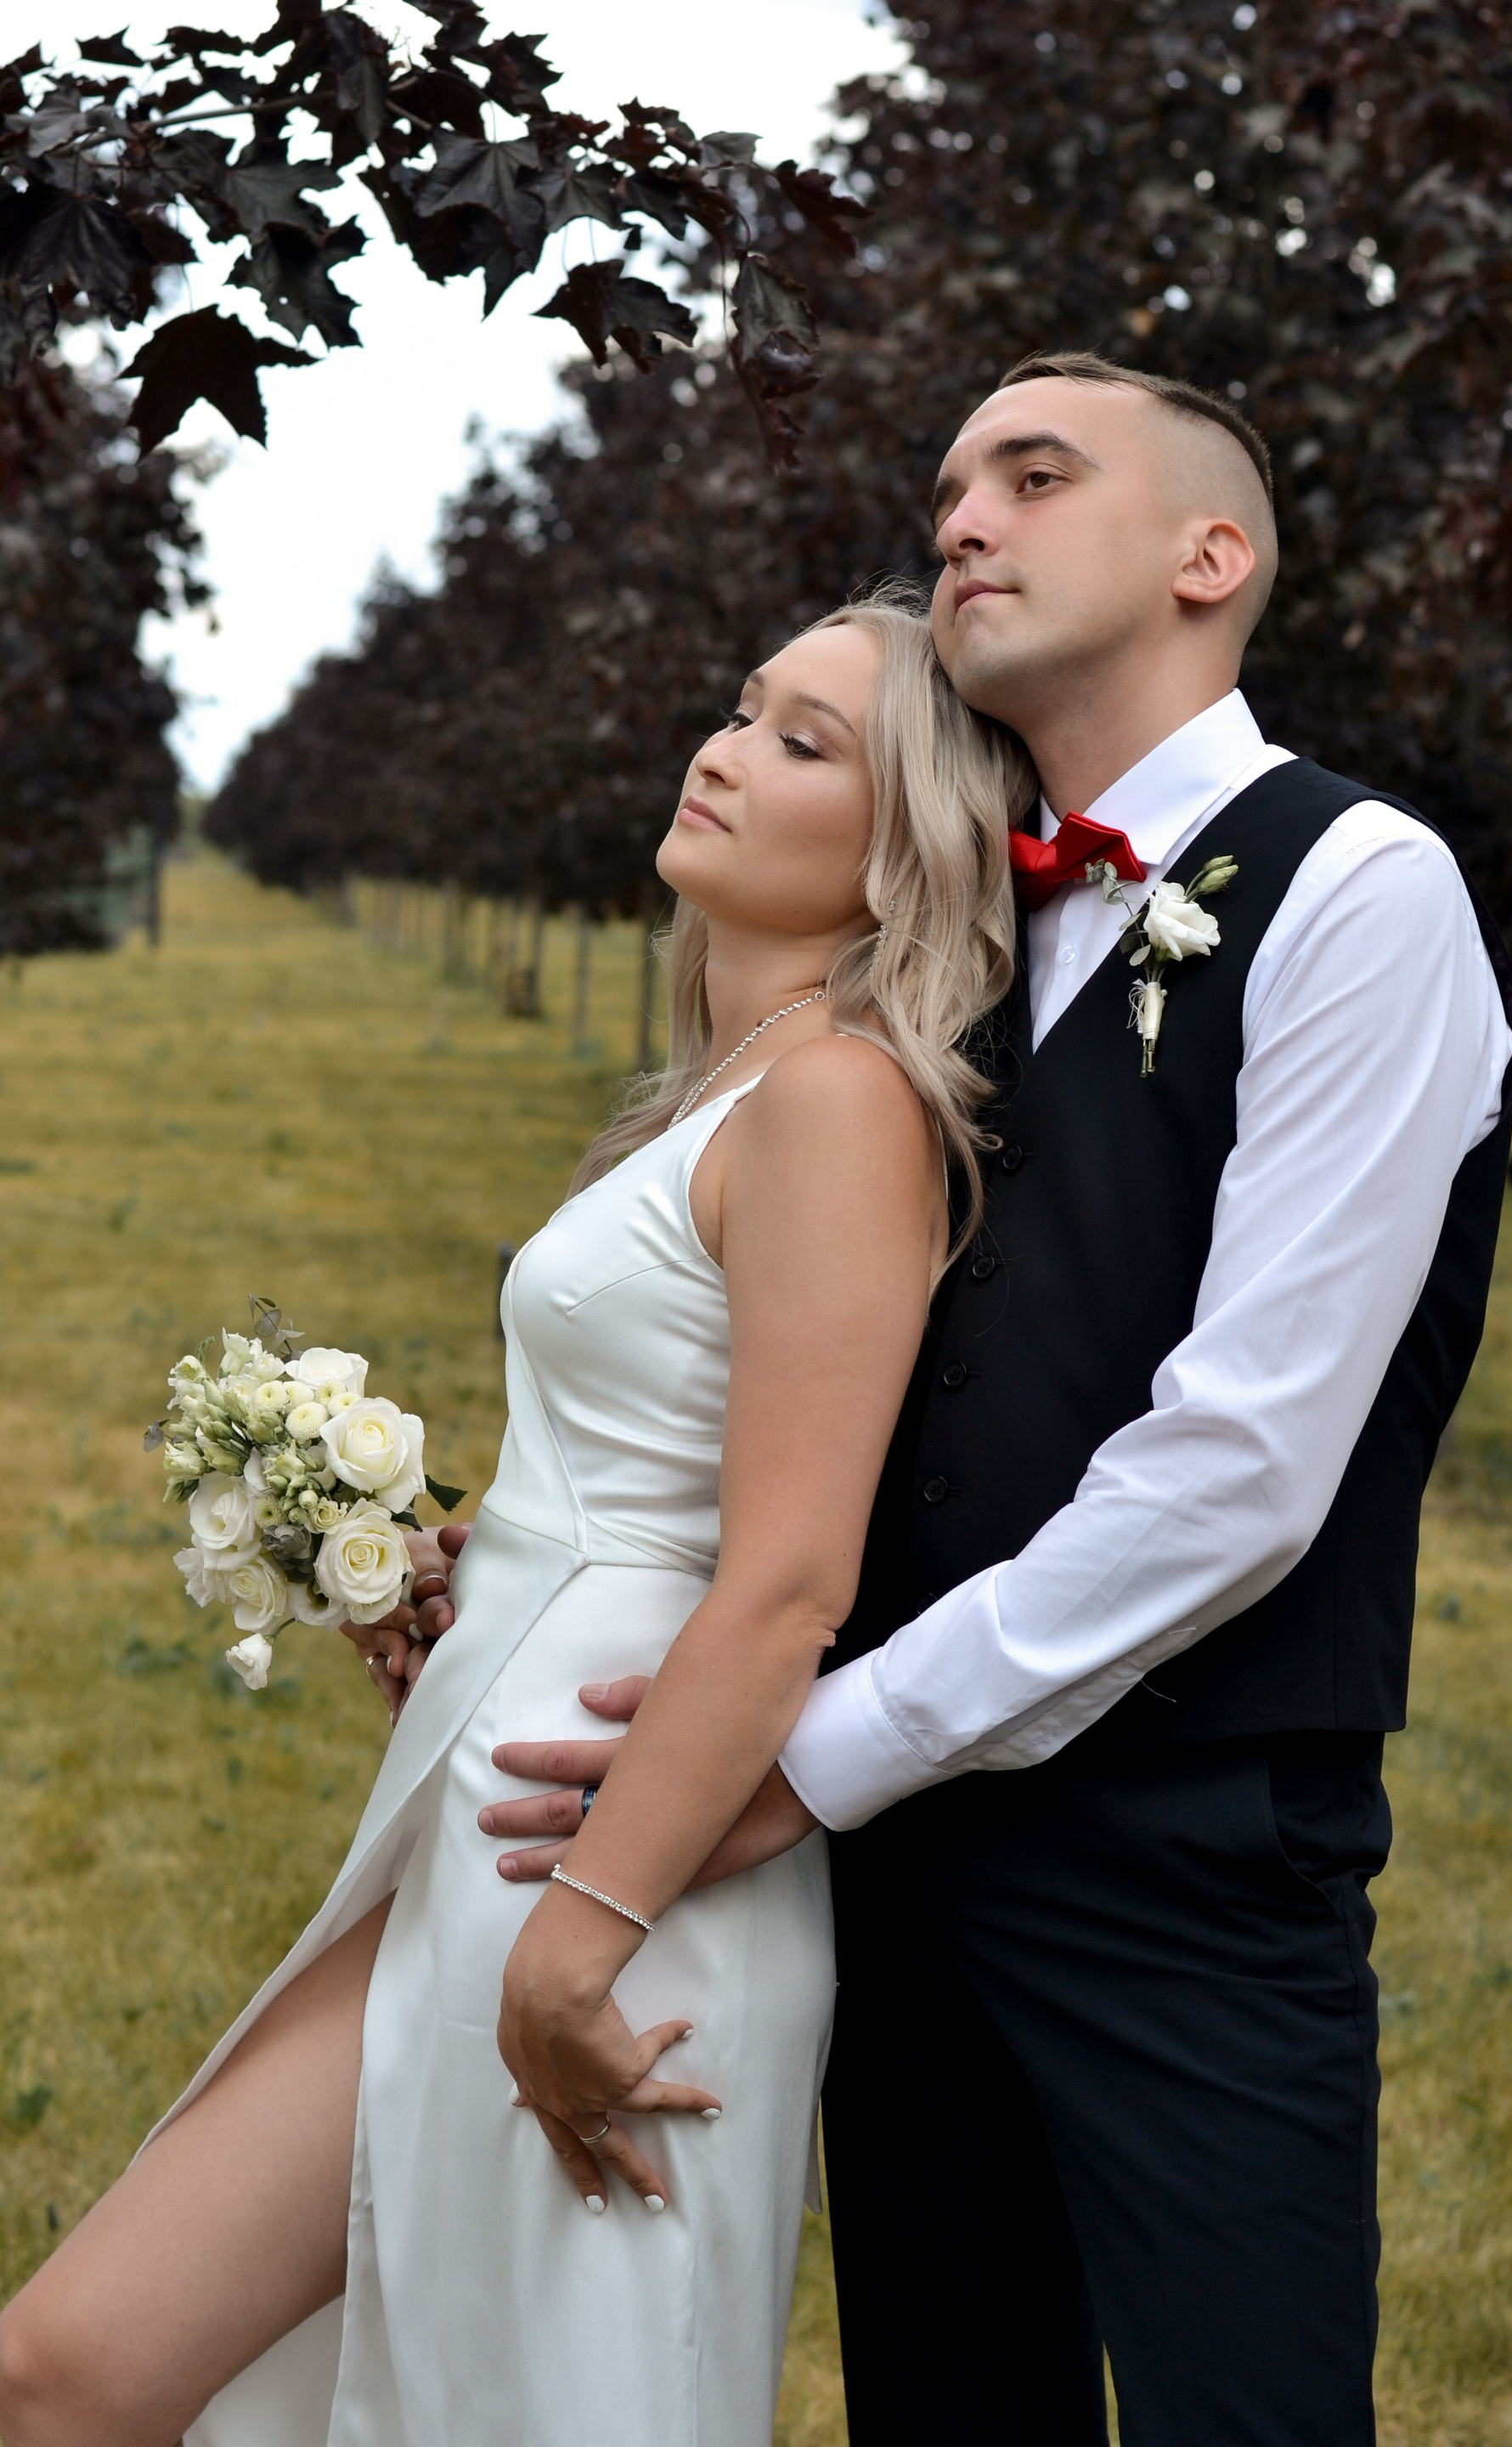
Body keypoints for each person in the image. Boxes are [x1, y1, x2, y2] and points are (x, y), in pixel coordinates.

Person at [466, 352, 1512, 2443]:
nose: (962, 520)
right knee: (950, 2406)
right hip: (901, 1854)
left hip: (1189, 1845)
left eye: (1035, 477)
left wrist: (818, 1753)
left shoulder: (1360, 887)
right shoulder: (937, 930)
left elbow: (1242, 1465)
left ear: (1211, 556)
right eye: (953, 485)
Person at [0, 598, 1032, 2447]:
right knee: (69, 2368)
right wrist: (475, 1569)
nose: (724, 751)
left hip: (618, 1863)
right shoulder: (725, 1090)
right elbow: (657, 1471)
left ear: (904, 858)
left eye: (804, 743)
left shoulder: (837, 1100)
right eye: (742, 709)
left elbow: (789, 1579)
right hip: (496, 1808)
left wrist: (586, 1932)